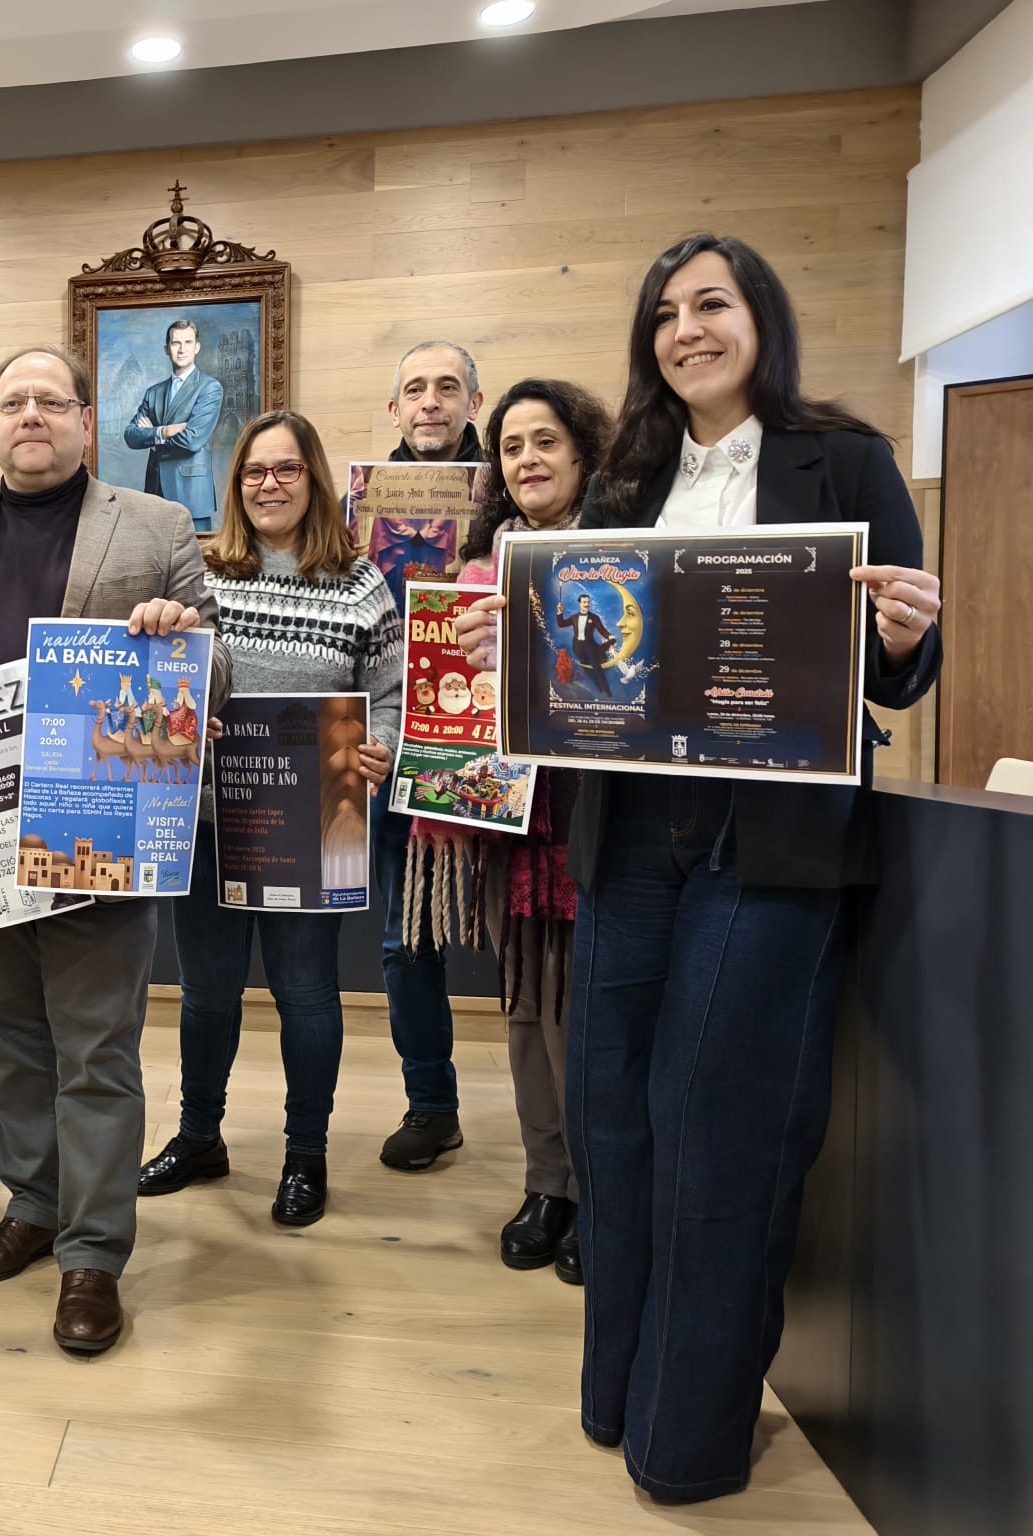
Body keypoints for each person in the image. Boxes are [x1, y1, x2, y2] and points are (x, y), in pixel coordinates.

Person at [457, 234, 942, 1501]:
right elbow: (580, 662)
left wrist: (897, 638)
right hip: (627, 839)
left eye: (710, 304)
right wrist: (513, 639)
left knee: (716, 1130)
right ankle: (617, 1391)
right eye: (664, 313)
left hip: (767, 846)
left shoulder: (842, 459)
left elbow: (896, 663)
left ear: (757, 320)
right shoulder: (623, 479)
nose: (686, 330)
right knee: (613, 1122)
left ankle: (689, 1440)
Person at [0, 344, 231, 1356]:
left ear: (81, 418)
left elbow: (216, 667)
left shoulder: (155, 526)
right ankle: (32, 1207)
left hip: (97, 822)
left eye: (49, 401)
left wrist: (177, 634)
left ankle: (93, 1253)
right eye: (13, 400)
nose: (31, 415)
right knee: (10, 1035)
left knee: (95, 1048)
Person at [136, 410, 402, 1226]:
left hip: (315, 824)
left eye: (286, 470)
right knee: (206, 993)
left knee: (306, 995)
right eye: (254, 472)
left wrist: (381, 747)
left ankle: (305, 1154)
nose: (269, 485)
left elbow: (389, 695)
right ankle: (200, 1135)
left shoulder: (360, 582)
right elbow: (166, 675)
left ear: (313, 480)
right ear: (236, 481)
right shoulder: (203, 572)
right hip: (211, 818)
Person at [436, 379, 613, 1282]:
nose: (528, 460)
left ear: (583, 451)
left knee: (588, 1016)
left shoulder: (626, 557)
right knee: (522, 1010)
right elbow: (447, 708)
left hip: (597, 822)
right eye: (510, 447)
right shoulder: (477, 572)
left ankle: (598, 1191)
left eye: (546, 441)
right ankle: (547, 1183)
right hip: (508, 822)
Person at [360, 340, 486, 1173]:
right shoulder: (357, 507)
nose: (431, 401)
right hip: (402, 741)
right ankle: (431, 1104)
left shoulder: (514, 491)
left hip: (509, 739)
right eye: (416, 389)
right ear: (395, 407)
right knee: (408, 940)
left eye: (448, 387)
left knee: (540, 936)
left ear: (476, 400)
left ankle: (566, 1136)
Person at [123, 318, 226, 533]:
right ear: (166, 349)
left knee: (196, 563)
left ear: (196, 347)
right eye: (175, 343)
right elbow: (131, 435)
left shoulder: (210, 388)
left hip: (191, 493)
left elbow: (192, 440)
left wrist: (152, 438)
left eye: (187, 342)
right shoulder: (154, 392)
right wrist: (164, 431)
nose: (181, 350)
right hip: (155, 489)